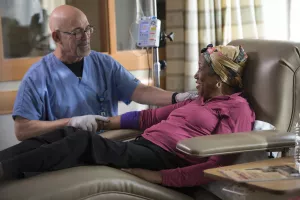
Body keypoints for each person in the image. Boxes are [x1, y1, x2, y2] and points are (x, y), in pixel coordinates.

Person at [1, 44, 255, 188]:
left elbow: (219, 165)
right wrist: (97, 121)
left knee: (84, 144)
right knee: (73, 133)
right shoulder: (197, 100)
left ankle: (6, 170)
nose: (195, 76)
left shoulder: (237, 108)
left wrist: (159, 178)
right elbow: (146, 120)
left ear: (221, 79)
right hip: (143, 145)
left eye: (201, 72)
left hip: (167, 159)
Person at [12, 5, 197, 141]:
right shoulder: (37, 76)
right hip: (65, 153)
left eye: (87, 29)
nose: (85, 37)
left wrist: (177, 97)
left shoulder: (103, 63)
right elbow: (22, 129)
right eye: (76, 32)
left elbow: (139, 91)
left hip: (108, 146)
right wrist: (70, 123)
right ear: (56, 37)